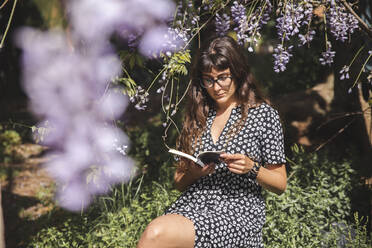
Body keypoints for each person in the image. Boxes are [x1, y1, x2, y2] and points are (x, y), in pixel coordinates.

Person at [137, 35, 287, 248]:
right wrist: (194, 173)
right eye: (209, 79)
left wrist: (252, 168)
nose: (216, 87)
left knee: (156, 233)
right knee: (156, 230)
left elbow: (280, 184)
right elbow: (178, 182)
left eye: (223, 77)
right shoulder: (199, 116)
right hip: (191, 205)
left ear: (238, 72)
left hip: (237, 213)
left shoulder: (263, 115)